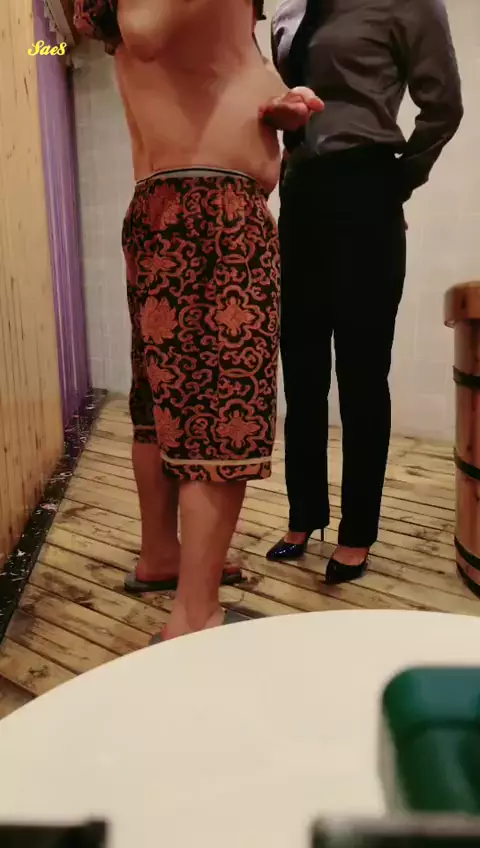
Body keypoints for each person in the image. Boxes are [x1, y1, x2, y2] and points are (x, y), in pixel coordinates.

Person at [73, 0, 323, 639]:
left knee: (161, 405)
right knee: (222, 417)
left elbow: (195, 58)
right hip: (214, 215)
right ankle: (194, 614)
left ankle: (161, 555)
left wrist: (279, 101)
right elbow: (147, 30)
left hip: (170, 205)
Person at [267, 0, 464, 583]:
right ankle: (304, 514)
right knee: (301, 368)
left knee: (361, 371)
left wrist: (393, 183)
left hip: (365, 183)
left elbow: (444, 106)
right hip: (300, 193)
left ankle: (357, 532)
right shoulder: (289, 11)